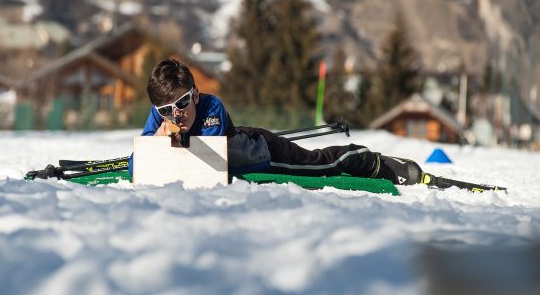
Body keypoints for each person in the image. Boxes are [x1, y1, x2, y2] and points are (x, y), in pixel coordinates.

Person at [137, 58, 424, 186]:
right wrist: (154, 145)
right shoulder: (160, 115)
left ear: (196, 95)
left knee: (321, 163)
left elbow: (208, 162)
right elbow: (135, 163)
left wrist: (167, 150)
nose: (176, 114)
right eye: (165, 110)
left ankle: (368, 159)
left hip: (263, 154)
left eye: (183, 102)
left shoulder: (213, 106)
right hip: (239, 150)